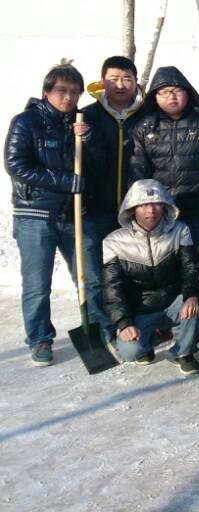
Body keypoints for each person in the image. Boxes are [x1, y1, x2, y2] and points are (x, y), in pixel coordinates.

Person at [4, 61, 110, 366]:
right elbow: (16, 164)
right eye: (62, 91)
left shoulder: (81, 123)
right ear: (46, 91)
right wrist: (65, 182)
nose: (68, 97)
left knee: (90, 278)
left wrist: (88, 140)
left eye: (75, 92)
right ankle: (40, 338)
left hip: (75, 214)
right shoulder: (26, 122)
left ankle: (97, 329)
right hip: (35, 214)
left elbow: (101, 166)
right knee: (38, 284)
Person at [101, 179, 199, 374]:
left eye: (156, 203)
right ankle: (148, 341)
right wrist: (124, 323)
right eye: (143, 205)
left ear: (165, 206)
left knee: (198, 302)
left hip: (174, 303)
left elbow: (191, 268)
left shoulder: (179, 230)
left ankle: (183, 352)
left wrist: (191, 294)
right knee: (129, 351)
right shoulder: (114, 242)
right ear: (132, 209)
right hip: (141, 310)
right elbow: (112, 289)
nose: (151, 210)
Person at [130, 66, 199, 257]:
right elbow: (139, 171)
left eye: (177, 91)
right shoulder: (145, 127)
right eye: (164, 92)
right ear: (155, 96)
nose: (172, 96)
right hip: (160, 212)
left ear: (188, 92)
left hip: (197, 210)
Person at [83, 55, 147, 250]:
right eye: (113, 79)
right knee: (98, 263)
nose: (120, 85)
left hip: (139, 210)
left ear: (136, 81)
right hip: (97, 208)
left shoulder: (149, 114)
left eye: (127, 79)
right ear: (102, 81)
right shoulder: (86, 116)